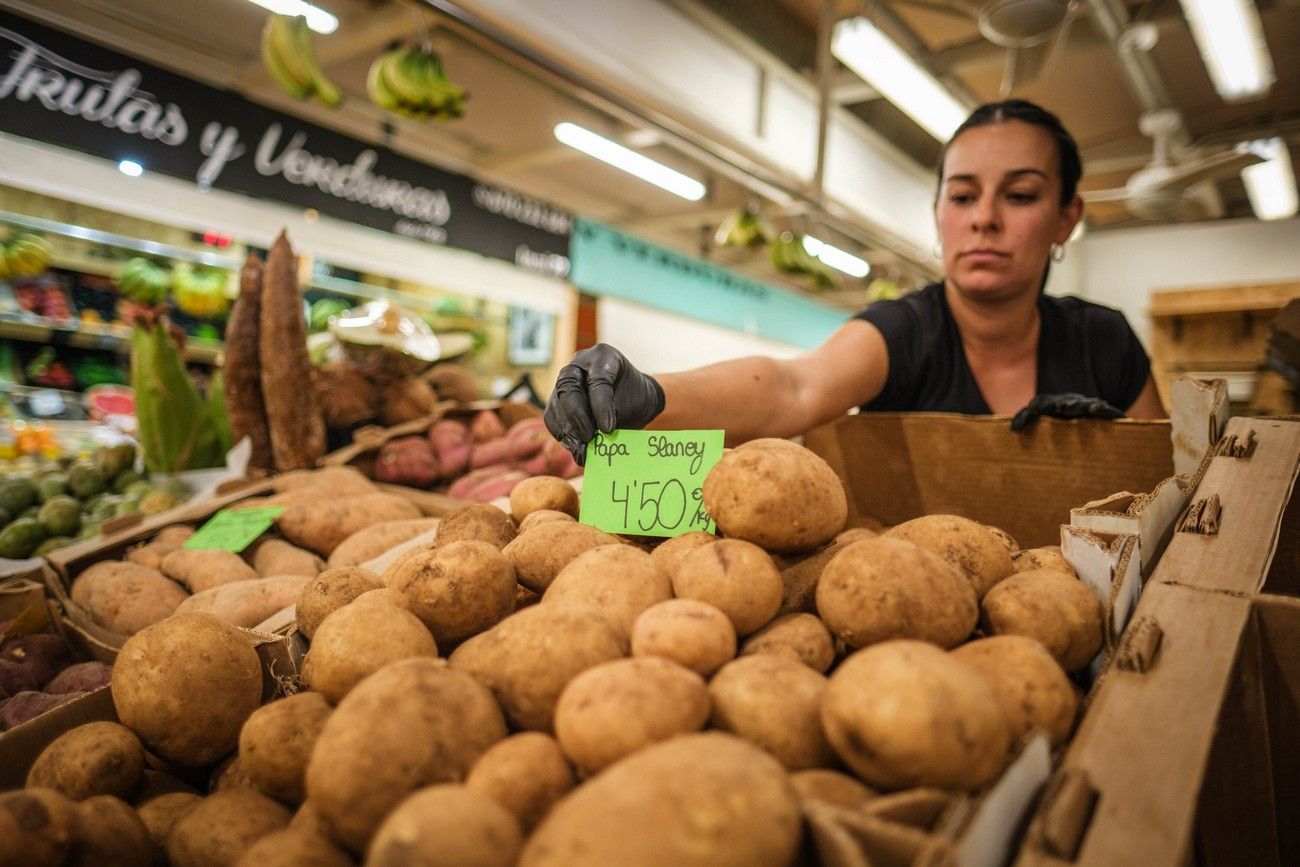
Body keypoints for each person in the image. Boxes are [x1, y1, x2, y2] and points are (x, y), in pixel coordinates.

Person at [545, 99, 1167, 462]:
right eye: (963, 196)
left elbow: (1167, 485)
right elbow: (792, 389)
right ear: (938, 216)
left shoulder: (1103, 341)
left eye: (1021, 194)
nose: (984, 218)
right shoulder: (908, 332)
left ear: (1066, 218)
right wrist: (651, 394)